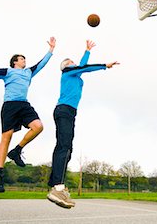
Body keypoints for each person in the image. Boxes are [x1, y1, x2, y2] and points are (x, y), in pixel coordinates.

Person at [47, 40, 119, 208]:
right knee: (64, 147)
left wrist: (87, 51)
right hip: (64, 110)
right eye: (71, 62)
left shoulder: (74, 74)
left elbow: (81, 66)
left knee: (67, 149)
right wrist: (104, 65)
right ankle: (57, 186)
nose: (74, 64)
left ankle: (56, 184)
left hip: (69, 112)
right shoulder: (67, 71)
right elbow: (83, 67)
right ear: (66, 66)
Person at [0, 37, 56, 193]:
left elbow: (41, 64)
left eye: (25, 59)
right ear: (15, 62)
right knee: (6, 138)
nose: (24, 61)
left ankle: (16, 151)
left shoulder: (28, 72)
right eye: (22, 59)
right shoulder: (8, 72)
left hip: (24, 105)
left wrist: (51, 50)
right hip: (10, 106)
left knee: (38, 126)